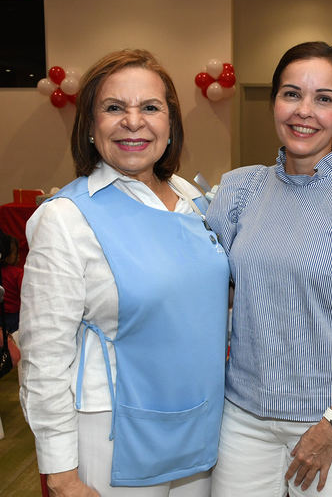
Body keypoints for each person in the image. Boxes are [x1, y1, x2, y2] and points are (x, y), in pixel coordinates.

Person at [19, 49, 230, 497]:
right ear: (91, 128)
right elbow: (44, 359)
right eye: (114, 108)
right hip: (113, 436)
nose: (133, 122)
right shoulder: (65, 219)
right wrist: (60, 474)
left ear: (170, 125)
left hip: (201, 428)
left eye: (150, 107)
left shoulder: (192, 199)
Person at [205, 41, 332, 497]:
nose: (304, 111)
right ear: (274, 101)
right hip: (242, 419)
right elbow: (212, 294)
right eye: (292, 94)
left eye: (323, 98)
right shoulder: (238, 191)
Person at [0, 228, 23, 333]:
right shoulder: (18, 273)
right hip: (14, 317)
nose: (19, 256)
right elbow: (25, 293)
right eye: (15, 253)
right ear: (6, 254)